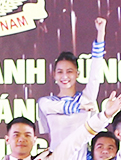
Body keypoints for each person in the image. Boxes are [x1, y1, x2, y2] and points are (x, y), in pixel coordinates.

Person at [36, 19, 107, 148]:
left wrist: (100, 33)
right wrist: (80, 107)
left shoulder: (86, 98)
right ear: (54, 75)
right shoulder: (46, 102)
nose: (64, 76)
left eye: (69, 71)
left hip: (82, 158)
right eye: (60, 72)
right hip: (56, 158)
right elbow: (61, 107)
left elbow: (96, 72)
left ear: (77, 74)